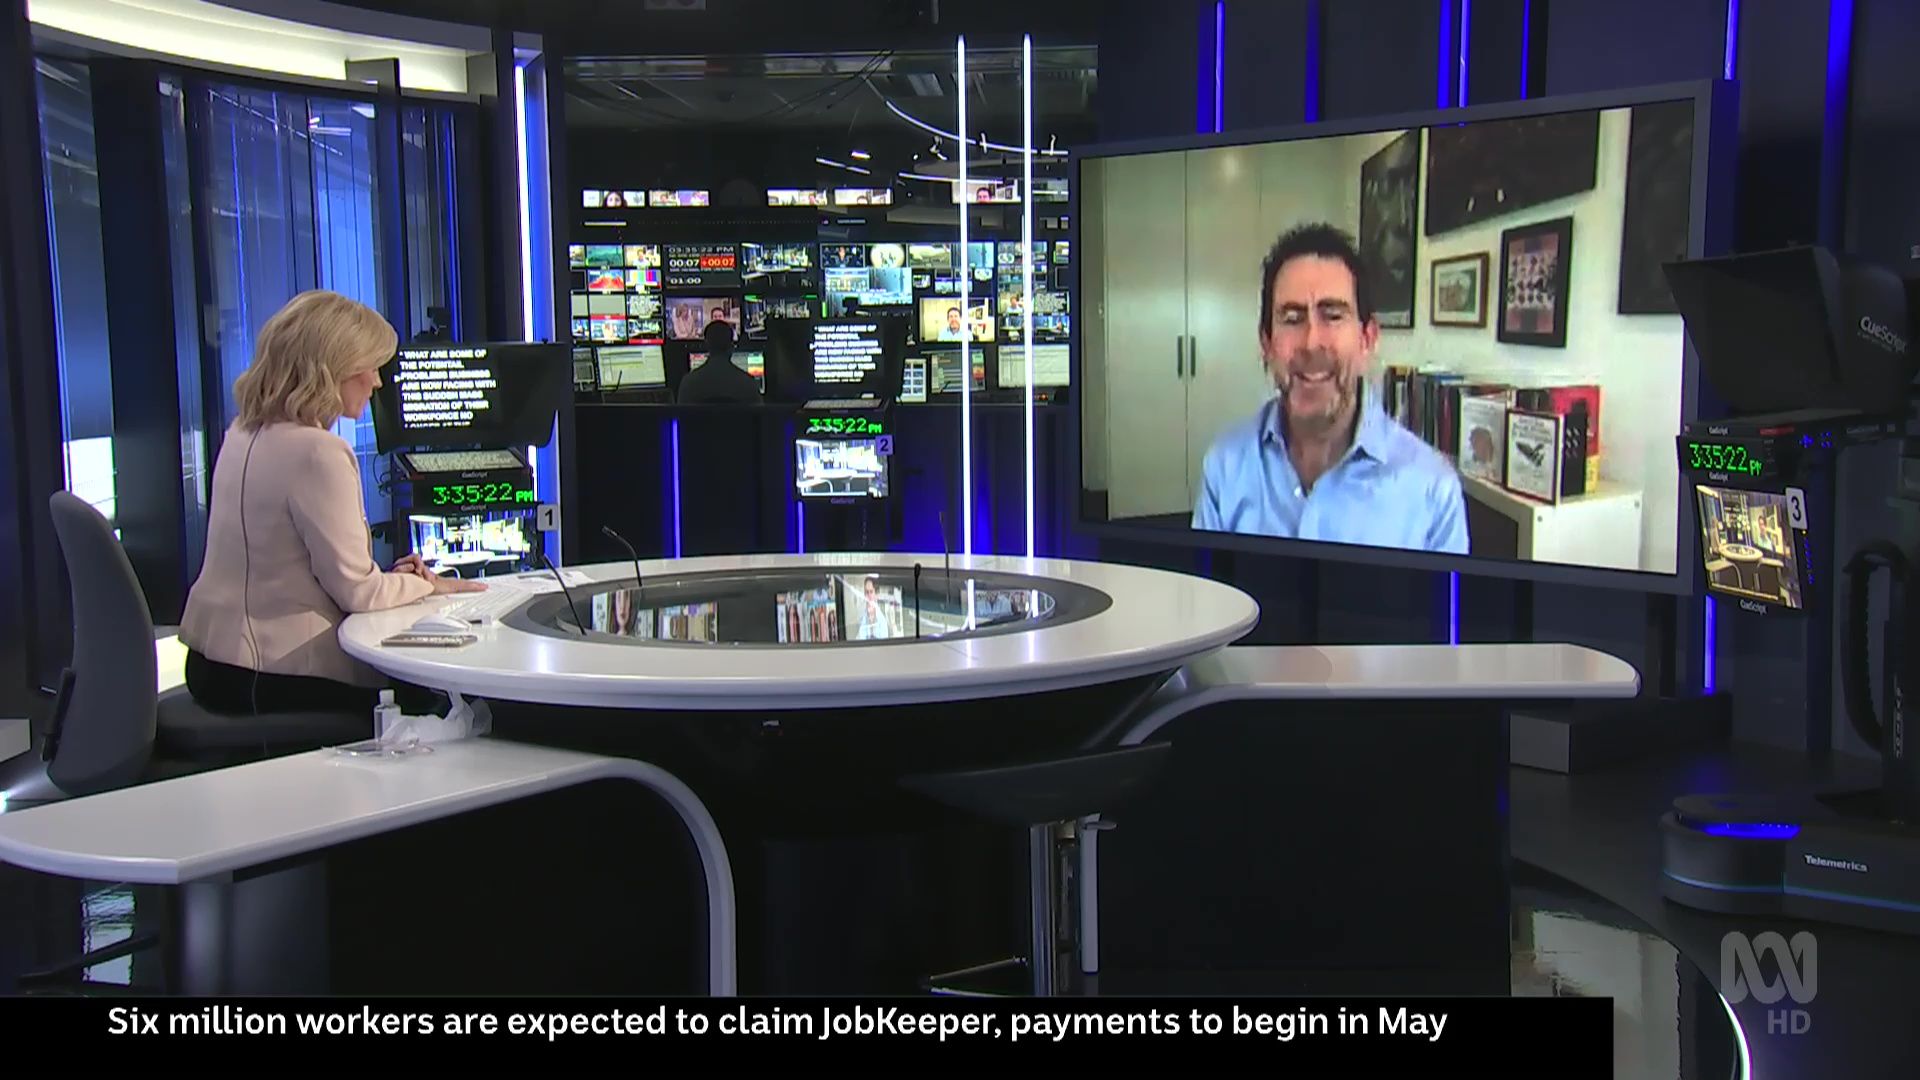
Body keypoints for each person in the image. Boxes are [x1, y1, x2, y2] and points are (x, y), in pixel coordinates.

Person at [178, 290, 486, 716]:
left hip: (212, 663)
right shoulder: (319, 452)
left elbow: (292, 567)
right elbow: (359, 594)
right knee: (442, 701)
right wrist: (427, 585)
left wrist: (391, 581)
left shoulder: (242, 433)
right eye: (371, 366)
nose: (377, 381)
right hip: (271, 674)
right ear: (335, 367)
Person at [1191, 223, 1468, 554]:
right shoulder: (1225, 466)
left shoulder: (1434, 490)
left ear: (1367, 339)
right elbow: (1204, 587)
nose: (1311, 342)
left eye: (1333, 316)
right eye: (1292, 318)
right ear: (1266, 344)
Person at [677, 319, 759, 403]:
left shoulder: (688, 383)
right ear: (732, 347)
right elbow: (759, 410)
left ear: (706, 345)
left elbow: (682, 411)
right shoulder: (748, 383)